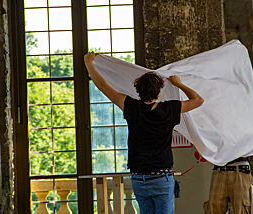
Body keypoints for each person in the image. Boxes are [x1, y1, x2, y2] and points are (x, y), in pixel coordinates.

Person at [84, 52, 204, 214]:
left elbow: (103, 86)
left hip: (139, 178)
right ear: (159, 91)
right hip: (162, 177)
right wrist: (178, 84)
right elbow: (198, 100)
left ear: (137, 90)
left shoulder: (130, 106)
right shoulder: (169, 109)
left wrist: (89, 64)